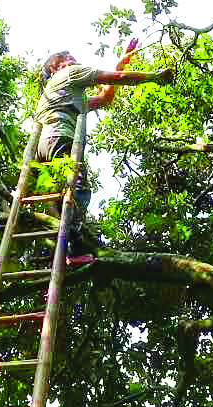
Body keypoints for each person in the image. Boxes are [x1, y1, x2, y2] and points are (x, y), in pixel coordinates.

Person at [34, 40, 173, 256]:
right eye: (70, 60)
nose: (75, 63)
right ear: (55, 67)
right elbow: (117, 80)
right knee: (78, 190)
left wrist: (120, 65)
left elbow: (105, 98)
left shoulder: (61, 94)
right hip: (61, 138)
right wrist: (155, 77)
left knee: (58, 199)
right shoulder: (70, 74)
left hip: (41, 147)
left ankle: (61, 251)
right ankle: (74, 248)